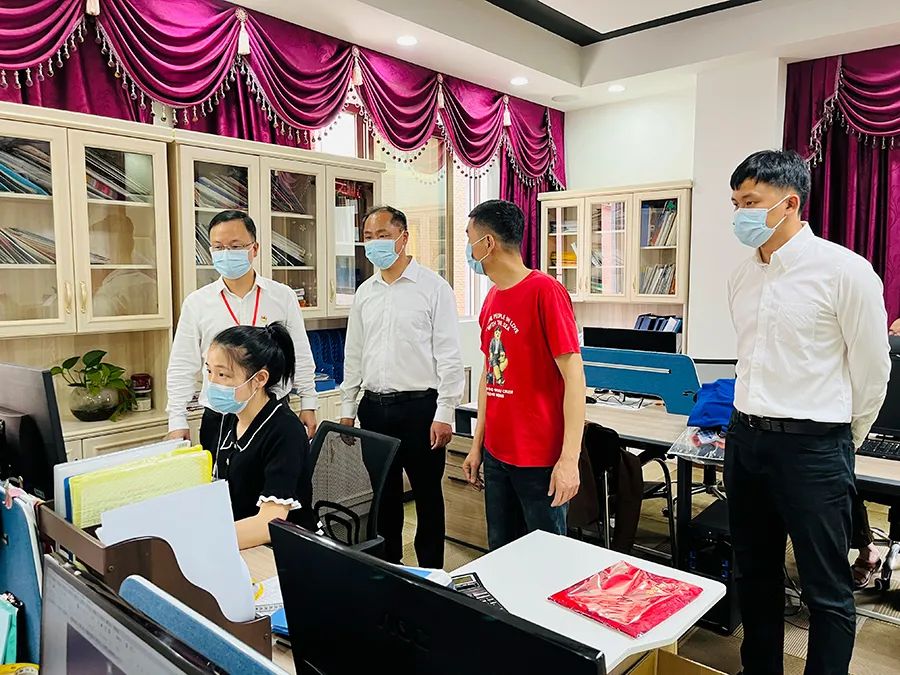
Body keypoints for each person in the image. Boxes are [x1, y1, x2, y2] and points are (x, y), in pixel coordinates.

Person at [725, 150, 891, 675]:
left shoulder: (845, 272)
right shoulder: (742, 276)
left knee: (826, 588)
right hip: (746, 440)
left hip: (815, 447)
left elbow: (873, 371)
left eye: (750, 202)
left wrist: (843, 439)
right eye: (735, 204)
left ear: (790, 203)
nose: (739, 215)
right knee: (755, 575)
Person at [339, 206, 464, 568]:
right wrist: (347, 409)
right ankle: (389, 568)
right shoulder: (365, 292)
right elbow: (354, 354)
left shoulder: (434, 288)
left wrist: (445, 412)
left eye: (382, 235)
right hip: (374, 408)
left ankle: (431, 573)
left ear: (403, 237)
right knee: (383, 497)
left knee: (427, 497)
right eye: (368, 237)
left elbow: (449, 356)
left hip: (420, 410)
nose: (374, 244)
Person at [461, 199, 584, 550]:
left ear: (488, 244)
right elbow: (489, 375)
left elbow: (574, 377)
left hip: (539, 459)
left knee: (546, 557)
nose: (468, 249)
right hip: (497, 455)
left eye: (469, 238)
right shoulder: (492, 298)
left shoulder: (545, 291)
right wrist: (477, 445)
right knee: (501, 551)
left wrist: (569, 460)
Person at [166, 210, 318, 450]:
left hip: (272, 411)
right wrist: (177, 418)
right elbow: (182, 365)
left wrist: (309, 402)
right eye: (218, 247)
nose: (226, 253)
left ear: (254, 249)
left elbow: (298, 353)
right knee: (220, 475)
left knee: (279, 473)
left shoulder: (282, 296)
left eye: (235, 246)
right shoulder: (197, 303)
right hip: (221, 415)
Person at [205, 322, 310, 550]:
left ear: (260, 379)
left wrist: (205, 540)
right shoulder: (229, 417)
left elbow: (269, 524)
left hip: (286, 548)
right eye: (209, 371)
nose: (212, 383)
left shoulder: (285, 431)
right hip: (241, 538)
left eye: (223, 374)